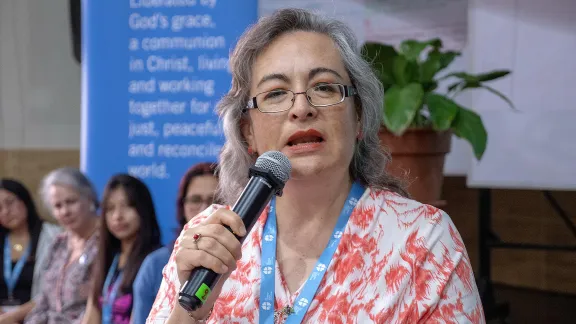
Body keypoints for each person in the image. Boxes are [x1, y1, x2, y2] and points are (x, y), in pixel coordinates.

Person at [147, 8, 484, 324]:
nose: (301, 108)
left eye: (323, 87)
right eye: (276, 93)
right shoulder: (209, 238)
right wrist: (189, 314)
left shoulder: (422, 240)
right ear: (248, 131)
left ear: (360, 117)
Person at [132, 163, 219, 324]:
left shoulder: (245, 259)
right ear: (182, 205)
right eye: (195, 200)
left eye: (216, 200)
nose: (206, 208)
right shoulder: (156, 263)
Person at [23, 167, 100, 324]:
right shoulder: (58, 243)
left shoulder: (106, 242)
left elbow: (101, 306)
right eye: (58, 206)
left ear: (90, 198)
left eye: (71, 202)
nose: (65, 211)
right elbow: (44, 299)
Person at [82, 174, 161, 324]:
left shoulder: (156, 261)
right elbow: (92, 313)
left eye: (127, 206)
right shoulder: (109, 257)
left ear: (143, 209)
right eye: (110, 209)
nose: (117, 216)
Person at [0, 179, 61, 321]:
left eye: (9, 202)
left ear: (25, 200)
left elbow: (54, 290)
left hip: (40, 317)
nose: (5, 212)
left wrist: (13, 317)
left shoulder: (54, 237)